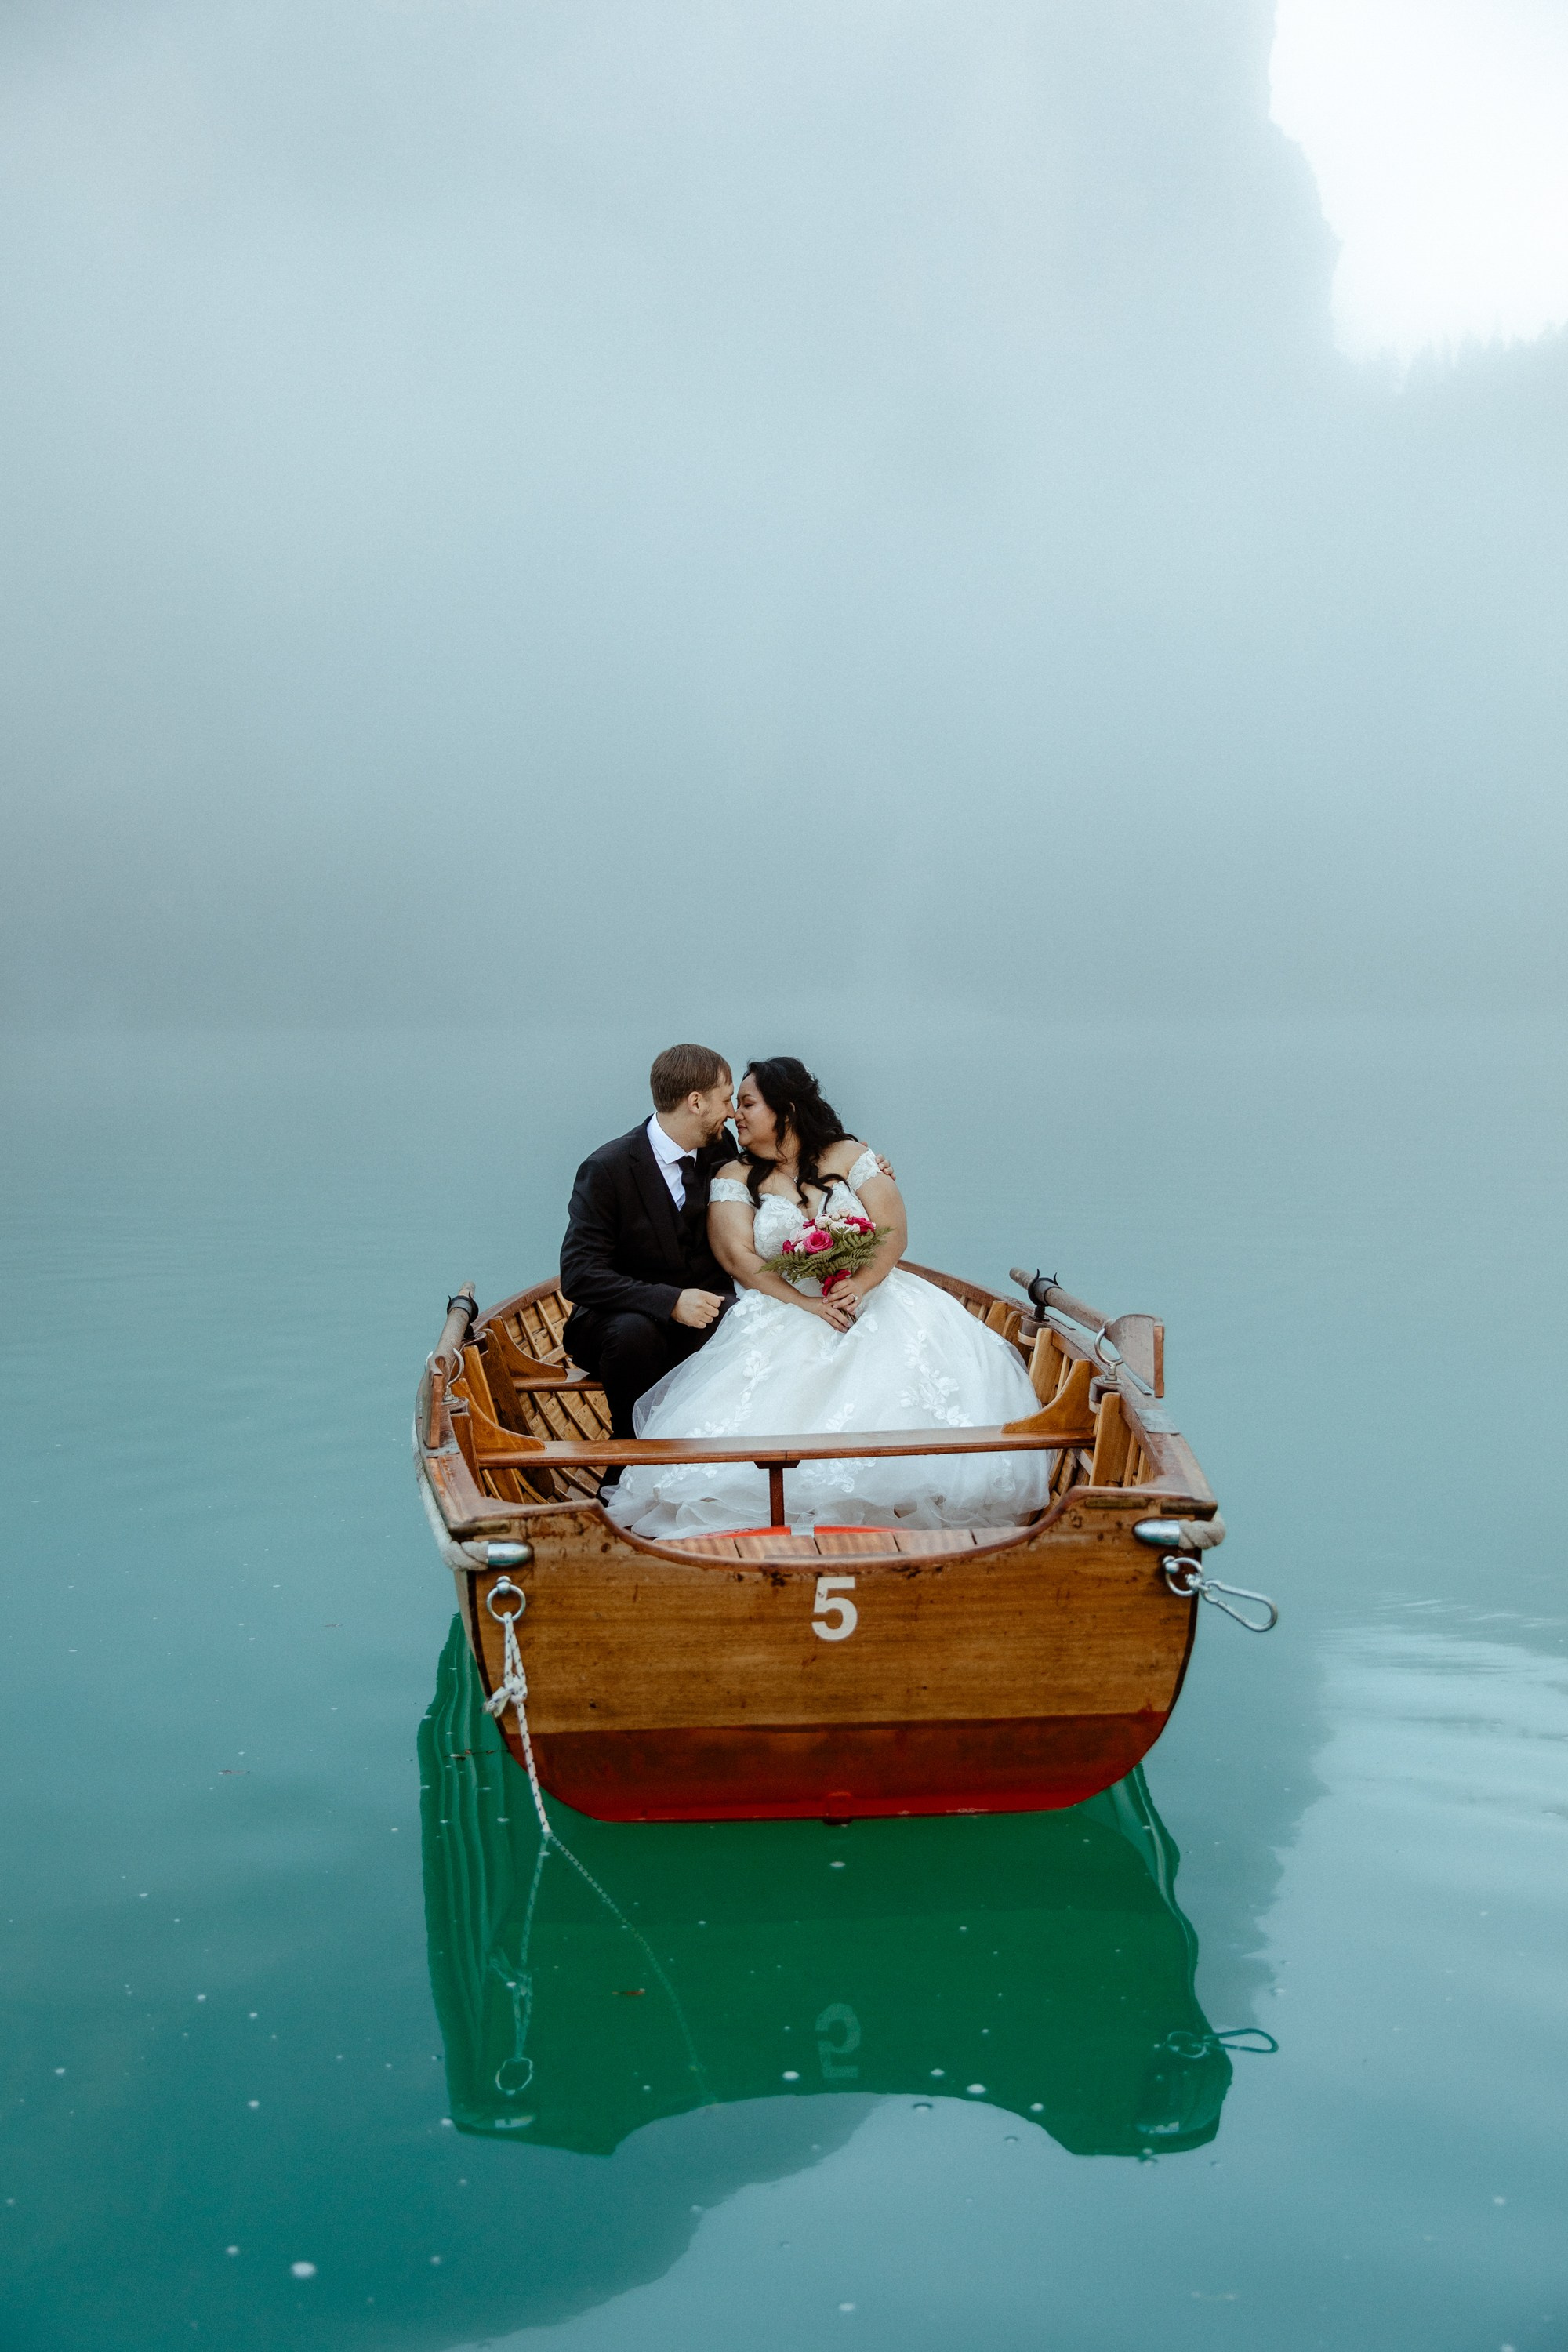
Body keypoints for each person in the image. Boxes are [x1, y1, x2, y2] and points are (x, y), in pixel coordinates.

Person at [604, 1056, 1052, 1537]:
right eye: (735, 1103)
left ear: (787, 1110)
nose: (736, 1114)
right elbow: (738, 1258)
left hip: (872, 1293)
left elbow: (892, 1231)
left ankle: (900, 1500)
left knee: (901, 1366)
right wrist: (807, 1305)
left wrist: (860, 1284)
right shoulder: (731, 1174)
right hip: (784, 1304)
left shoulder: (849, 1155)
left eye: (749, 1103)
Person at [560, 1044, 739, 1473]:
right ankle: (627, 1452)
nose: (731, 1112)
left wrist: (857, 1164)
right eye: (726, 1098)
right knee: (634, 1333)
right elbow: (579, 1275)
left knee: (749, 1320)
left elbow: (784, 1168)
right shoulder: (607, 1168)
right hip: (619, 1319)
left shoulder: (721, 1149)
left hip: (703, 1311)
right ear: (696, 1103)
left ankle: (715, 1458)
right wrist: (670, 1301)